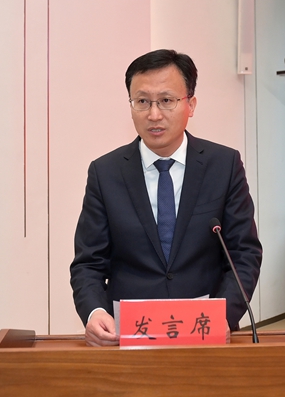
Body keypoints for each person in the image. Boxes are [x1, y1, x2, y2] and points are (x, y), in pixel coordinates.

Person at [70, 49, 262, 346]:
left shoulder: (224, 165)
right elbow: (88, 263)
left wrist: (224, 314)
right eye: (142, 101)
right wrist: (95, 311)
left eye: (166, 100)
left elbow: (243, 254)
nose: (154, 114)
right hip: (130, 334)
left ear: (191, 104)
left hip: (204, 330)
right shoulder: (105, 172)